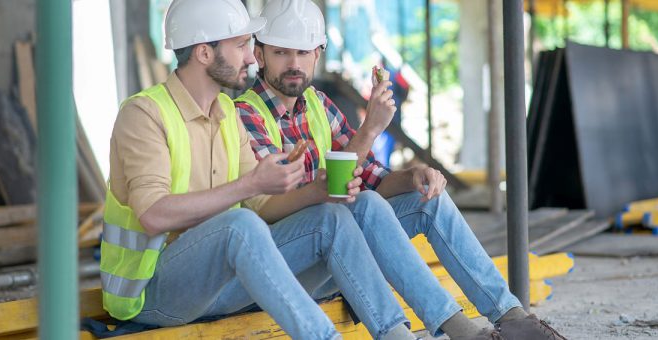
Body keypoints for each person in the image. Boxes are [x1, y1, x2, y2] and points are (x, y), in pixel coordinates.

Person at [236, 1, 567, 339]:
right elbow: (285, 209)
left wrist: (413, 177)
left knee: (428, 200)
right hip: (285, 266)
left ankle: (513, 320)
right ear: (259, 55)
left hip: (344, 253)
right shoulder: (245, 115)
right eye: (281, 52)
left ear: (317, 54)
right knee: (362, 205)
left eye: (303, 52)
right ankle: (465, 334)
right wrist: (369, 131)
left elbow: (371, 179)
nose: (294, 64)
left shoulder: (319, 106)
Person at [101, 0, 421, 339]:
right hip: (151, 294)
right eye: (241, 45)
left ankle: (396, 336)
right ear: (204, 53)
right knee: (238, 224)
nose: (253, 58)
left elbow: (260, 206)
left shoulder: (225, 110)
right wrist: (251, 183)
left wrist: (315, 192)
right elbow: (153, 215)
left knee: (332, 217)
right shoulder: (144, 114)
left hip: (218, 286)